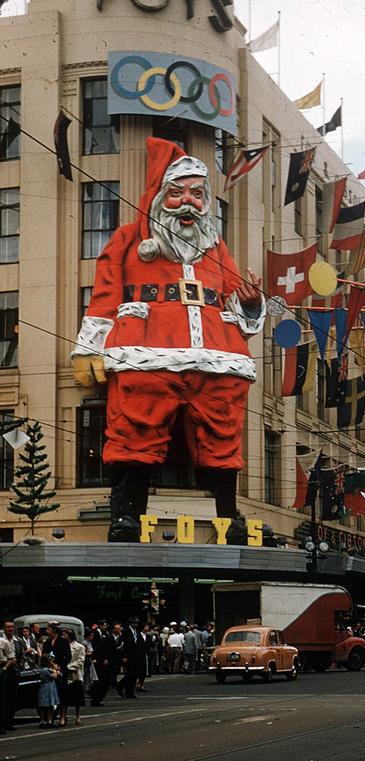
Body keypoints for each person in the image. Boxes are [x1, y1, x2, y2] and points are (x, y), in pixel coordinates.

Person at [71, 137, 265, 543]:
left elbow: (237, 301)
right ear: (159, 196)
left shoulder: (216, 247)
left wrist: (249, 303)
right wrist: (90, 347)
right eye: (176, 193)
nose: (188, 202)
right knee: (134, 429)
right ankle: (126, 514)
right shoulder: (127, 239)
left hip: (217, 355)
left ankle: (228, 518)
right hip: (146, 353)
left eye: (197, 193)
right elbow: (105, 291)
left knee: (222, 435)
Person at [59, 628, 86, 726]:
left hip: (75, 675)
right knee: (64, 697)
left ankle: (78, 715)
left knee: (77, 698)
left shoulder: (80, 647)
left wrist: (68, 667)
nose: (63, 637)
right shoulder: (62, 646)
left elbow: (80, 661)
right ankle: (63, 716)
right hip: (64, 674)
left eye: (64, 635)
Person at [36, 657, 60, 729]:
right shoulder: (48, 670)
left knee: (43, 705)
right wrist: (55, 669)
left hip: (43, 687)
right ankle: (48, 721)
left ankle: (42, 721)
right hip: (49, 687)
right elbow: (55, 676)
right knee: (50, 705)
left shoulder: (41, 670)